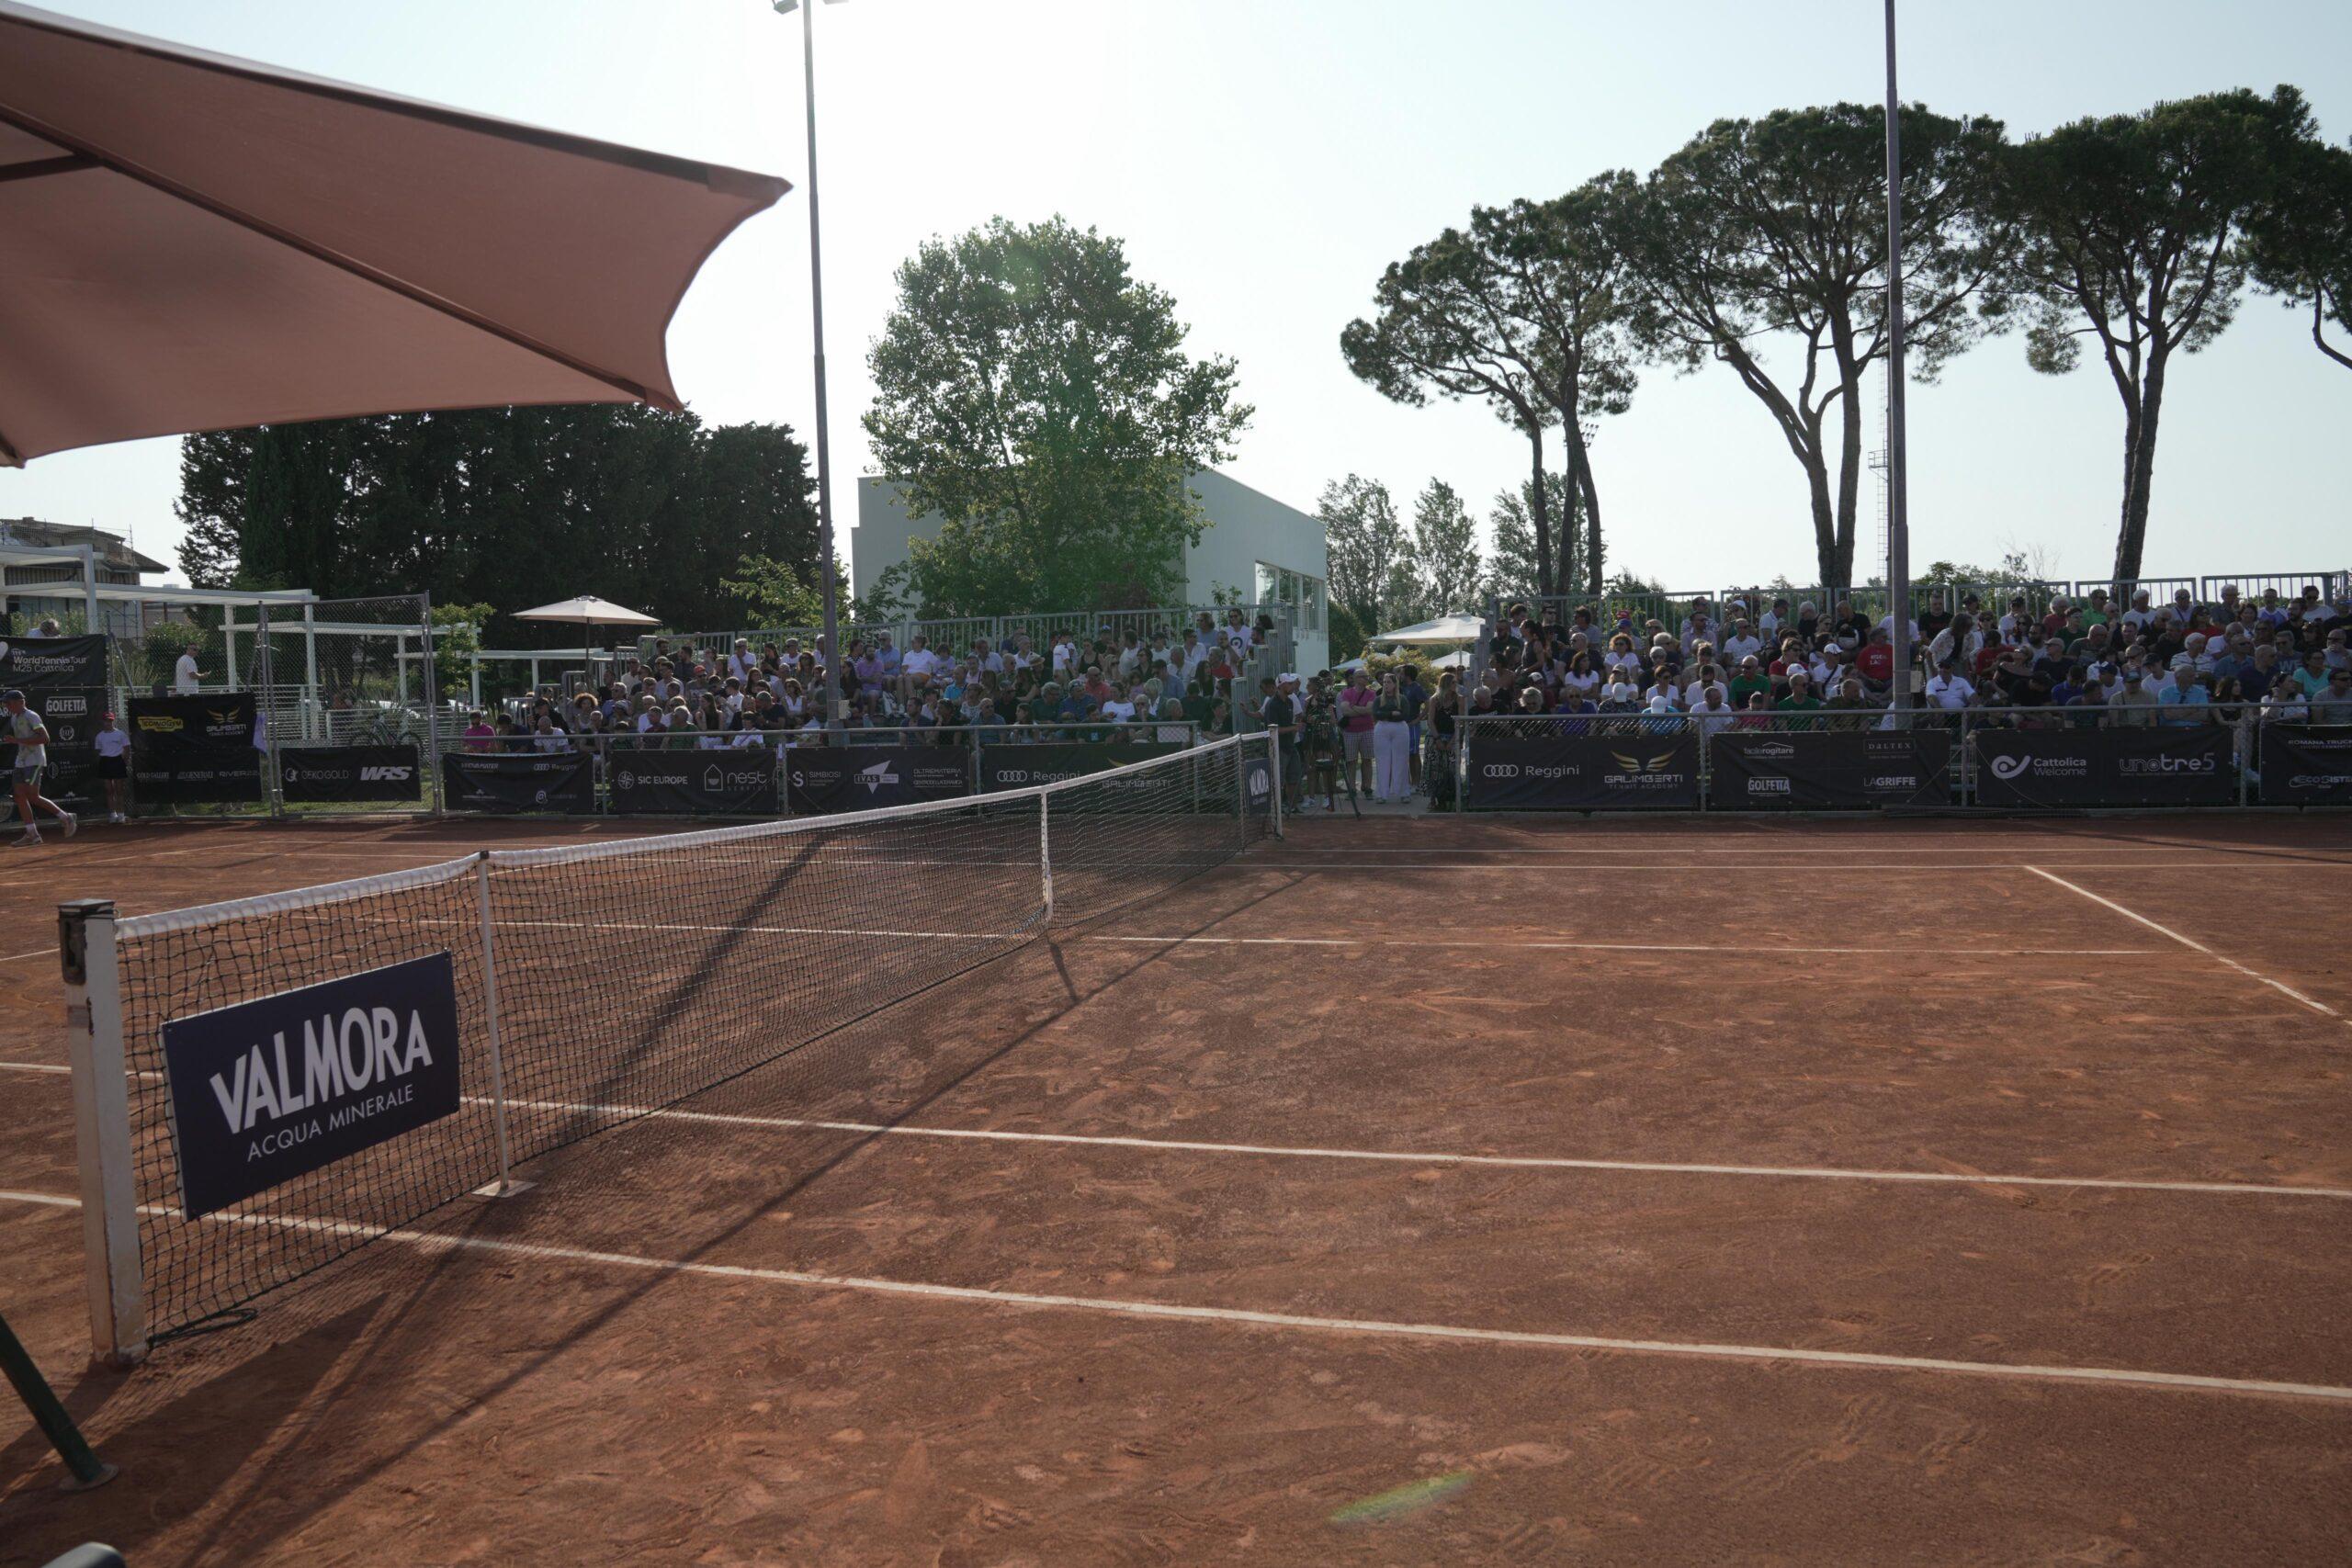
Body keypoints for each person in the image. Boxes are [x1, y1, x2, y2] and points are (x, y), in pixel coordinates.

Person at [3, 690, 76, 845]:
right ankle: (32, 834)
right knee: (19, 795)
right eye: (5, 703)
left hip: (34, 760)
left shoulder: (32, 716)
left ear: (20, 702)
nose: (6, 706)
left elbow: (44, 738)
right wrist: (17, 742)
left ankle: (66, 817)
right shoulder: (14, 718)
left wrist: (16, 740)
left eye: (8, 703)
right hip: (21, 761)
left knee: (32, 796)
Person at [1371, 673, 1412, 803]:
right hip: (1382, 729)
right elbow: (1376, 713)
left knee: (1401, 760)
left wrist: (1386, 715)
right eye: (1384, 682)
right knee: (1382, 761)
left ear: (1395, 684)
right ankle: (1381, 794)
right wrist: (1391, 713)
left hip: (1400, 729)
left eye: (1388, 682)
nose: (1386, 684)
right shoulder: (1378, 699)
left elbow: (1404, 715)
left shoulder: (1402, 698)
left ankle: (1404, 792)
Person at [1337, 669, 1376, 797]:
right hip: (1350, 732)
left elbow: (1370, 710)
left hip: (1367, 730)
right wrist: (1362, 710)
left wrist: (1353, 706)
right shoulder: (1346, 693)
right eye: (1363, 676)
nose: (1366, 678)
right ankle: (1352, 789)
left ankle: (1368, 787)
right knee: (1351, 761)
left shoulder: (1371, 693)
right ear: (1356, 678)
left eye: (1366, 676)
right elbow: (1345, 712)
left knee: (1367, 759)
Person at [92, 710, 131, 823]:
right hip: (105, 762)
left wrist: (125, 761)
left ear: (113, 721)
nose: (108, 723)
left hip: (118, 761)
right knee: (109, 790)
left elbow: (127, 748)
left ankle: (121, 815)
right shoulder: (99, 736)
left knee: (119, 790)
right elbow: (98, 751)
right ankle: (112, 815)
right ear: (103, 722)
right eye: (106, 721)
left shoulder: (120, 734)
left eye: (110, 721)